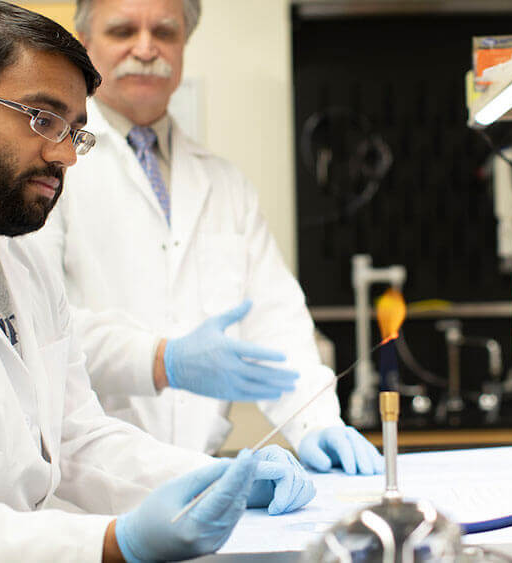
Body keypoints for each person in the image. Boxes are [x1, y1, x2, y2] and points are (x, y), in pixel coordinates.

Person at [0, 2, 314, 561]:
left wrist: (218, 478)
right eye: (42, 119)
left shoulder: (19, 261)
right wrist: (117, 542)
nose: (66, 155)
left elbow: (74, 440)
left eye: (76, 132)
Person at [31, 0, 384, 475]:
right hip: (81, 485)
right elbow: (36, 325)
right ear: (85, 45)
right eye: (122, 31)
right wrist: (160, 359)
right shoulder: (47, 168)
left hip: (199, 473)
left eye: (164, 32)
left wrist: (317, 421)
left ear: (184, 45)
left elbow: (275, 318)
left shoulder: (224, 184)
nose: (145, 47)